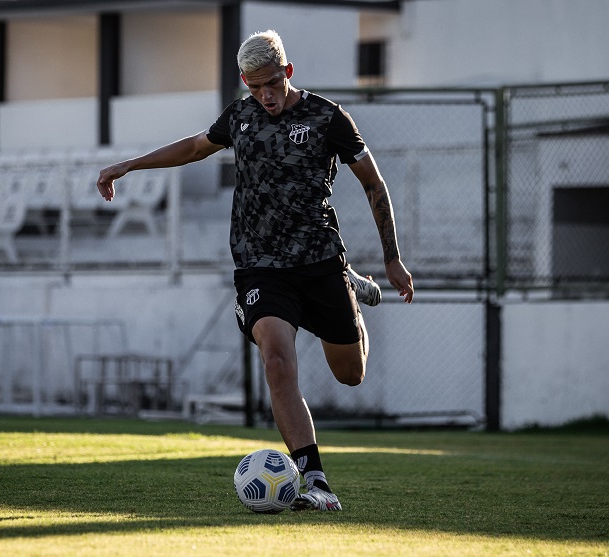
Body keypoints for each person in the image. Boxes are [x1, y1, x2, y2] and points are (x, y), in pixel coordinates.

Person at [97, 30, 414, 511]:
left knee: (350, 374)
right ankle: (316, 481)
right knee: (276, 360)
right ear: (245, 83)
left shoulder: (328, 117)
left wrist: (392, 257)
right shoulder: (240, 116)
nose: (265, 96)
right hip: (260, 265)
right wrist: (128, 165)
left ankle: (350, 285)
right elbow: (193, 147)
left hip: (319, 259)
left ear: (287, 72)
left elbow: (373, 184)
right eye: (254, 87)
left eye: (272, 84)